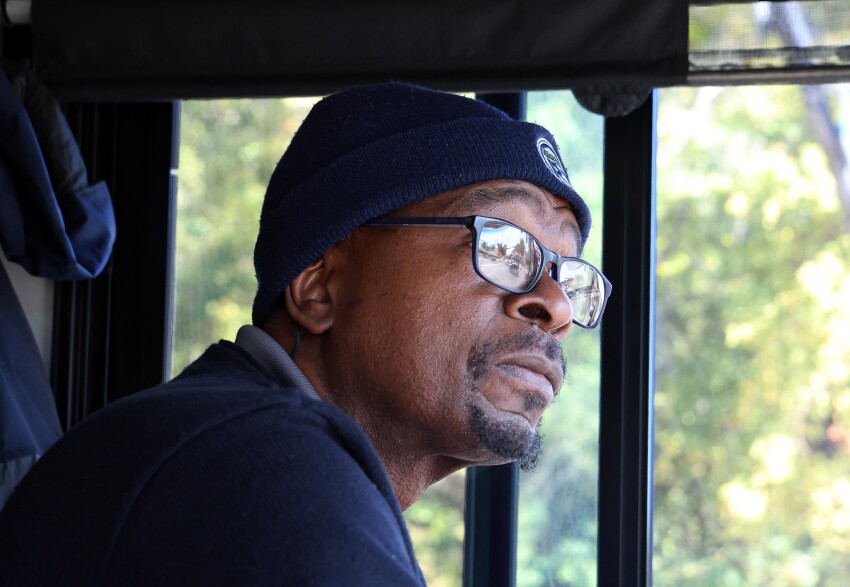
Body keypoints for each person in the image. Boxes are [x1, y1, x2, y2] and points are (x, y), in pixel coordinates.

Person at [0, 83, 610, 585]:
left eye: (574, 278)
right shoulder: (261, 465)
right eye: (504, 246)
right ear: (318, 287)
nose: (555, 306)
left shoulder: (234, 444)